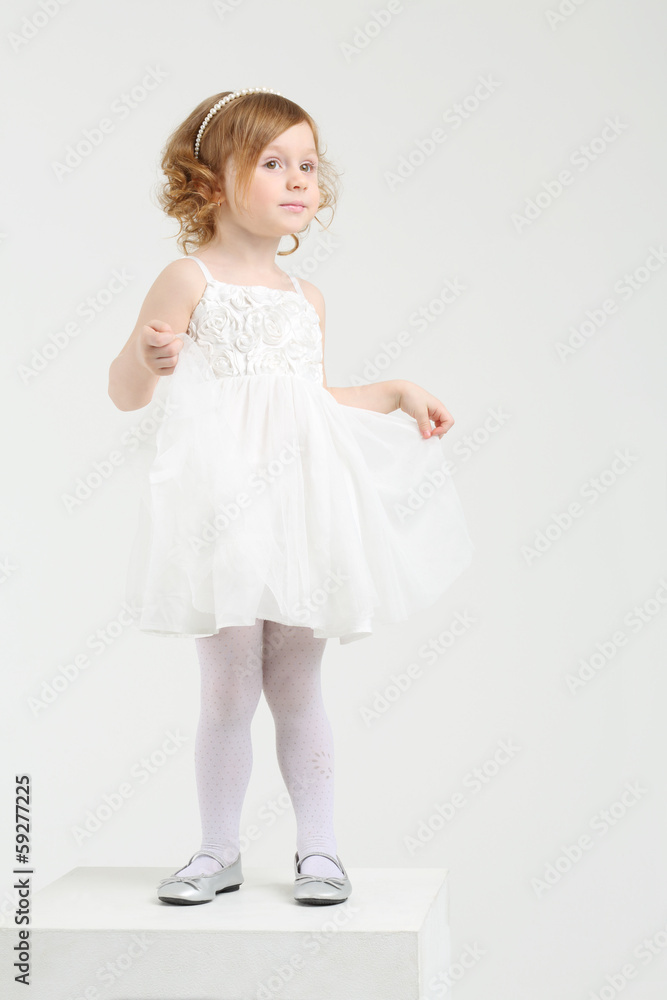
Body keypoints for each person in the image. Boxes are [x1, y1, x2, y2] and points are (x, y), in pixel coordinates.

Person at [107, 87, 475, 907]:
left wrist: (395, 392)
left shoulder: (305, 298)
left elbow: (309, 401)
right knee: (228, 688)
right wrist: (146, 357)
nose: (299, 179)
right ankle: (216, 850)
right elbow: (126, 394)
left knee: (298, 687)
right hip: (223, 513)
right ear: (209, 180)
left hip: (300, 513)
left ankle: (320, 850)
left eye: (307, 164)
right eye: (272, 163)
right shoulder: (188, 279)